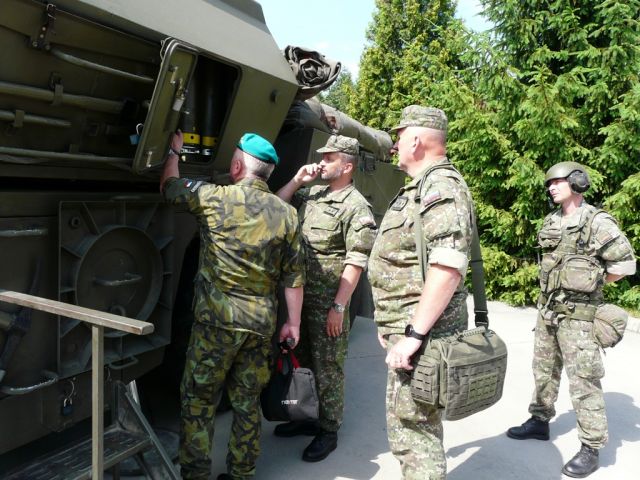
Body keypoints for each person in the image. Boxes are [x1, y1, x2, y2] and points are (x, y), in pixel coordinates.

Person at [160, 131, 305, 480]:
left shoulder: (215, 198)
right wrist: (293, 324)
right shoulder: (287, 215)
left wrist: (174, 153)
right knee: (246, 401)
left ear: (237, 166)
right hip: (259, 325)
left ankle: (195, 474)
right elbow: (294, 278)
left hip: (215, 323)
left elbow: (170, 188)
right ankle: (241, 473)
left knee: (198, 399)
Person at [507, 161, 636, 478]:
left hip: (579, 317)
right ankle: (539, 421)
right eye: (549, 184)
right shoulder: (551, 220)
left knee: (584, 381)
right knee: (543, 371)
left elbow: (624, 264)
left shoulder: (596, 221)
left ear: (577, 182)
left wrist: (594, 281)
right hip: (548, 311)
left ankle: (591, 446)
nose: (551, 187)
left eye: (558, 182)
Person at [367, 105, 475, 479]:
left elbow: (448, 267)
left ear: (415, 141)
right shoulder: (423, 186)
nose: (394, 145)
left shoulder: (439, 186)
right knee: (412, 426)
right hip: (413, 332)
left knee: (414, 434)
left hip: (424, 338)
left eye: (399, 137)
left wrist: (413, 334)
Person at [275, 135, 377, 461]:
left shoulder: (356, 207)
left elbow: (356, 261)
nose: (322, 162)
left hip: (327, 303)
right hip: (300, 299)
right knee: (301, 360)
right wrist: (297, 180)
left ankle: (329, 429)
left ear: (346, 166)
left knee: (328, 367)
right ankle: (306, 417)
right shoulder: (313, 194)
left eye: (329, 158)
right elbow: (276, 205)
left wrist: (338, 307)